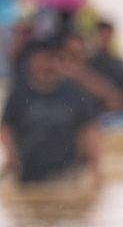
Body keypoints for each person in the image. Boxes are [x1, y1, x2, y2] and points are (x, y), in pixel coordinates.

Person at [2, 37, 106, 187]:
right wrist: (11, 158)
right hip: (28, 175)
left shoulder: (75, 93)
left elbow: (90, 130)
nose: (49, 65)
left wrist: (96, 170)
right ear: (32, 62)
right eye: (43, 59)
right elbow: (6, 128)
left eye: (54, 59)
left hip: (67, 174)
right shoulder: (19, 94)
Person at [85, 21, 123, 130]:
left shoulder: (117, 63)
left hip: (116, 117)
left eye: (108, 35)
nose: (105, 39)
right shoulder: (86, 64)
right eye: (101, 35)